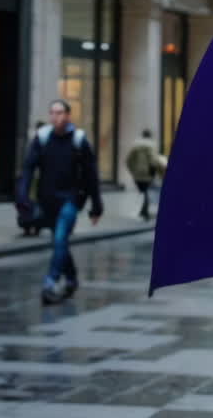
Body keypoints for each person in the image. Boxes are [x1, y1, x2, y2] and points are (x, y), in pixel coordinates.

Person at [18, 100, 103, 305]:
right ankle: (71, 278)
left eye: (59, 112)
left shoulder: (79, 140)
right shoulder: (43, 138)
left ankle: (50, 283)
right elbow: (28, 168)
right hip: (47, 200)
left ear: (68, 116)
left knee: (59, 238)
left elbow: (91, 175)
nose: (55, 116)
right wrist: (22, 196)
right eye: (52, 112)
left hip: (71, 199)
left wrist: (96, 206)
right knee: (59, 241)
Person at [124, 129, 163, 221]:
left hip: (137, 176)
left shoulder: (135, 146)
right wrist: (159, 169)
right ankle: (144, 212)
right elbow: (153, 161)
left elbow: (128, 161)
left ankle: (143, 211)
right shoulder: (151, 146)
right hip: (148, 175)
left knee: (144, 192)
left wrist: (133, 171)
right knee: (148, 192)